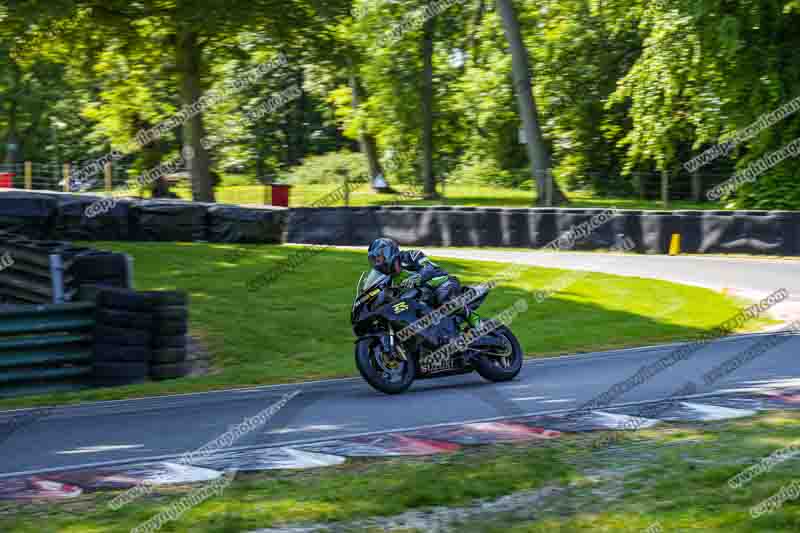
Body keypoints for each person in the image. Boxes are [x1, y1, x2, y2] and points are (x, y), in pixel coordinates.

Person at [367, 237, 482, 329]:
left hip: (442, 282)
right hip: (419, 298)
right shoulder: (387, 278)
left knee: (443, 295)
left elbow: (429, 268)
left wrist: (417, 278)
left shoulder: (410, 256)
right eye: (374, 260)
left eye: (379, 258)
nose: (377, 263)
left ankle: (471, 317)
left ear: (388, 253)